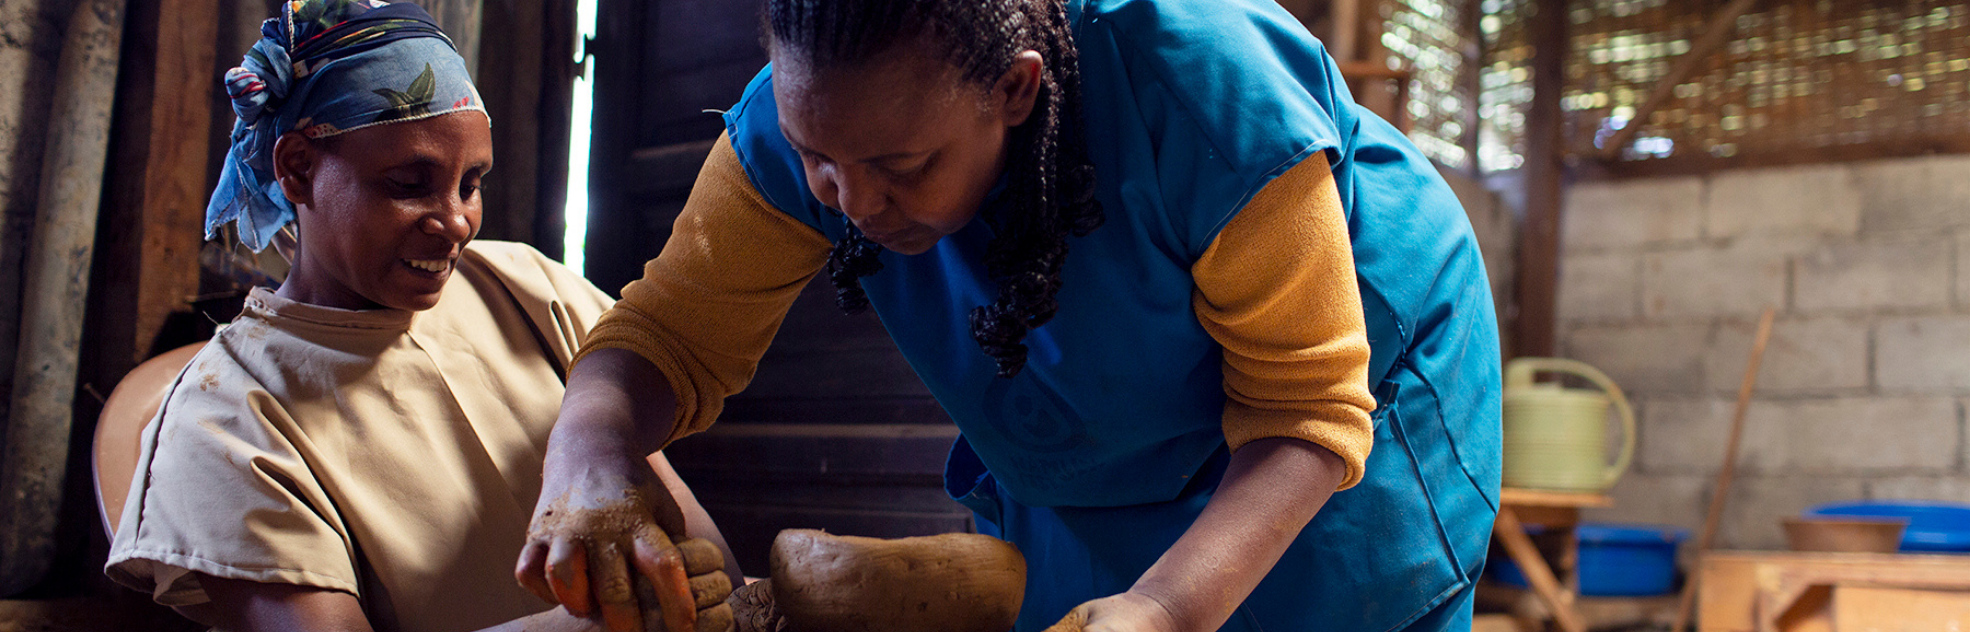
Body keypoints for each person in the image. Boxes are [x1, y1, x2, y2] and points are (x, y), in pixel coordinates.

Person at [518, 0, 1501, 630]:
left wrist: (1161, 606)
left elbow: (1303, 413)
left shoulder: (1198, 88)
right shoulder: (811, 112)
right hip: (1101, 401)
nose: (849, 201)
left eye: (900, 169)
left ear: (1016, 88)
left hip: (1349, 395)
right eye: (818, 158)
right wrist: (588, 462)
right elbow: (664, 335)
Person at [103, 2, 737, 631]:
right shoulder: (224, 422)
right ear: (298, 168)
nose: (457, 222)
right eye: (409, 184)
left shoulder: (524, 284)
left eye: (472, 183)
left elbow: (682, 529)